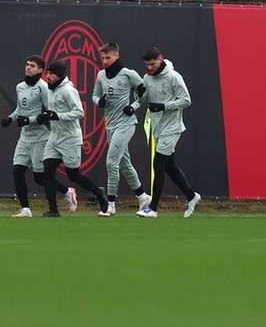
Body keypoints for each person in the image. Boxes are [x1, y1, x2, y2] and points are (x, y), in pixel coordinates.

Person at [1, 55, 76, 217]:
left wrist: (30, 120)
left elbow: (47, 113)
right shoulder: (20, 87)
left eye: (32, 66)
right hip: (25, 137)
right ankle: (25, 209)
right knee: (17, 171)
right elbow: (21, 110)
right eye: (27, 64)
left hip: (41, 137)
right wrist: (11, 118)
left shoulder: (44, 87)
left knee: (40, 178)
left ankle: (67, 191)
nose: (28, 67)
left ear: (41, 70)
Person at [132, 47, 201, 218]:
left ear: (161, 59)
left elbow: (186, 100)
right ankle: (192, 196)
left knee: (158, 165)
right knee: (170, 166)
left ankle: (152, 208)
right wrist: (137, 95)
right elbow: (143, 100)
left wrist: (164, 106)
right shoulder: (147, 78)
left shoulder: (174, 77)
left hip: (172, 128)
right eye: (146, 64)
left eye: (152, 64)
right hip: (158, 127)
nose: (149, 68)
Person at [39, 61, 109, 217]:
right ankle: (53, 210)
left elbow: (79, 112)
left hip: (70, 138)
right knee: (47, 172)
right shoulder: (51, 89)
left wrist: (57, 116)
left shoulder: (68, 90)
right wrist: (46, 115)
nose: (48, 76)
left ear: (60, 75)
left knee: (73, 175)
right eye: (47, 73)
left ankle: (99, 194)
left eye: (51, 74)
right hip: (55, 137)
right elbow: (52, 111)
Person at [92, 43, 152, 215]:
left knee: (111, 163)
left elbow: (145, 94)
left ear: (117, 55)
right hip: (110, 125)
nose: (104, 61)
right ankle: (142, 197)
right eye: (102, 58)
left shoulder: (129, 74)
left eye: (108, 57)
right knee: (125, 164)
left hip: (126, 124)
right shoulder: (101, 75)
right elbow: (94, 96)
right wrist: (99, 102)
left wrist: (133, 106)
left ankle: (110, 204)